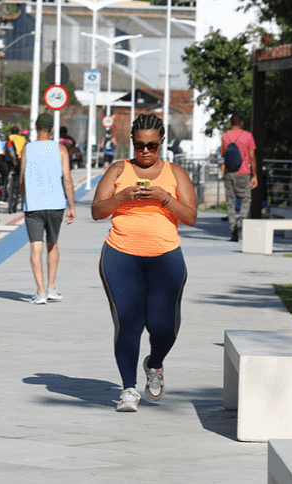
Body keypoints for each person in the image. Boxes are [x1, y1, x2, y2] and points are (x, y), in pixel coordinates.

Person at [90, 113, 198, 412]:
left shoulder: (176, 173)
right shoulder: (117, 170)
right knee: (129, 323)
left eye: (152, 145)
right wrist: (123, 196)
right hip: (120, 255)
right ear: (132, 143)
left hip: (165, 257)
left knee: (164, 326)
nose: (146, 152)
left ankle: (155, 362)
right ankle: (128, 389)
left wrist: (164, 197)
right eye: (140, 146)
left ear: (161, 143)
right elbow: (97, 211)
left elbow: (190, 217)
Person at [18, 113, 75, 305]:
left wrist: (23, 199)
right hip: (56, 204)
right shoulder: (61, 149)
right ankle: (51, 287)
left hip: (33, 205)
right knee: (53, 244)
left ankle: (40, 292)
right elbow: (67, 180)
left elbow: (21, 178)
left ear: (35, 126)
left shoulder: (27, 149)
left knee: (36, 247)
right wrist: (72, 206)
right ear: (51, 129)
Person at [220, 113, 257, 242]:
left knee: (230, 201)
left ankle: (233, 230)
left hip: (229, 173)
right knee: (246, 199)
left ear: (230, 123)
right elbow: (252, 157)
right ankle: (240, 225)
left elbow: (223, 154)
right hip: (244, 173)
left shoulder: (225, 136)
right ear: (241, 123)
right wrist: (255, 175)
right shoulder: (248, 136)